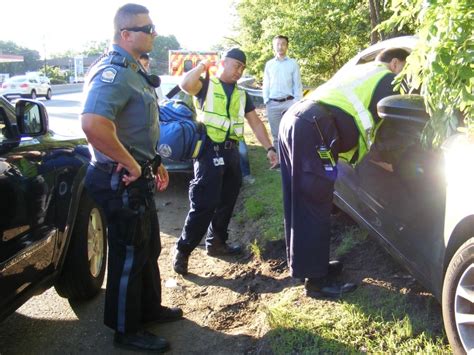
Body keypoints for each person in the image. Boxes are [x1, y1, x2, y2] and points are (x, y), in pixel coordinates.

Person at [80, 4, 182, 352]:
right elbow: (94, 124)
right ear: (125, 34)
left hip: (136, 175)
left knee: (148, 246)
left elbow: (135, 127)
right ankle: (127, 330)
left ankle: (148, 309)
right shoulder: (113, 72)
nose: (153, 32)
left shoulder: (133, 70)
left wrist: (153, 163)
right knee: (129, 255)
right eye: (147, 27)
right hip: (118, 178)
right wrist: (133, 164)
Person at [279, 47, 410, 298]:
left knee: (299, 198)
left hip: (298, 120)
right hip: (315, 127)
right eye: (406, 69)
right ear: (395, 63)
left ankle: (309, 267)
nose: (406, 77)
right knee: (316, 201)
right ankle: (316, 283)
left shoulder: (362, 71)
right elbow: (397, 122)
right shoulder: (387, 77)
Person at [172, 48, 278, 275]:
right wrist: (202, 66)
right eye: (236, 65)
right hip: (209, 152)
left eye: (242, 67)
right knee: (204, 204)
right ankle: (183, 250)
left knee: (227, 201)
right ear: (224, 62)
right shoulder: (207, 84)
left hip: (231, 154)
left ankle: (217, 243)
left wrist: (269, 148)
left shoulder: (242, 94)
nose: (239, 71)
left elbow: (256, 123)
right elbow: (185, 85)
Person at [263, 35, 303, 167]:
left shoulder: (293, 63)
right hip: (272, 104)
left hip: (289, 103)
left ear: (287, 46)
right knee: (276, 135)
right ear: (274, 46)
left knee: (292, 132)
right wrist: (266, 100)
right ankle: (279, 161)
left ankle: (293, 160)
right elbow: (266, 84)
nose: (280, 46)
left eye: (283, 44)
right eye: (278, 44)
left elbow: (297, 85)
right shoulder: (269, 64)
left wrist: (297, 102)